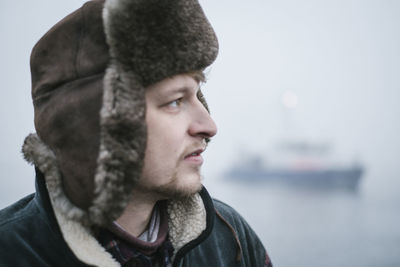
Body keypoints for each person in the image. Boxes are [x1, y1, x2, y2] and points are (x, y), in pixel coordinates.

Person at [0, 0, 272, 266]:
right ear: (96, 127)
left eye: (197, 94)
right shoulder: (10, 251)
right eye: (175, 101)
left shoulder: (229, 237)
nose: (209, 125)